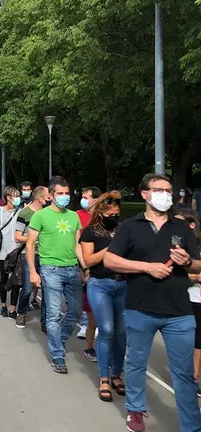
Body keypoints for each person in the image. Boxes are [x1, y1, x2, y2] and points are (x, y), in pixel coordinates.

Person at [104, 173, 201, 432]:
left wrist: (187, 261)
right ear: (145, 194)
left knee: (184, 374)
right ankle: (135, 411)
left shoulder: (181, 227)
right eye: (159, 189)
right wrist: (147, 268)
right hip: (140, 309)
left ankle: (191, 425)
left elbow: (198, 261)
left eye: (169, 190)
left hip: (179, 312)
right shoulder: (129, 226)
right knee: (136, 363)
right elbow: (110, 261)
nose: (165, 195)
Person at [26, 176, 84, 374]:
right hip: (50, 269)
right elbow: (30, 244)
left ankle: (59, 339)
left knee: (75, 311)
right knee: (52, 314)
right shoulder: (40, 216)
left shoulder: (74, 216)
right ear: (50, 195)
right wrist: (33, 272)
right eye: (60, 193)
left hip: (72, 268)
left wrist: (85, 268)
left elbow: (77, 245)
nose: (64, 197)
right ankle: (58, 356)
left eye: (67, 193)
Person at [80, 191, 126, 403]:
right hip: (100, 285)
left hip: (123, 284)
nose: (114, 216)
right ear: (101, 213)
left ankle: (117, 373)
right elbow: (88, 261)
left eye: (117, 213)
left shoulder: (124, 230)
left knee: (121, 332)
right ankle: (104, 377)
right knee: (106, 329)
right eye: (110, 213)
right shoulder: (90, 232)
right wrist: (110, 248)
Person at [14, 186, 50, 330]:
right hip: (27, 255)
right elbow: (17, 237)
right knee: (28, 289)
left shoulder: (48, 214)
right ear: (40, 198)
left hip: (46, 256)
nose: (50, 199)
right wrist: (33, 238)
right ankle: (21, 312)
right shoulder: (25, 213)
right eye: (48, 197)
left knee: (47, 290)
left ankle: (46, 321)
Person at [176, 208, 201, 398]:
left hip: (198, 299)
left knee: (198, 342)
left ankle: (193, 378)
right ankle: (184, 377)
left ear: (192, 225)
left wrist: (193, 275)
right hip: (181, 298)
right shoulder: (175, 244)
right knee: (183, 340)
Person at [0, 186, 21, 318]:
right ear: (8, 197)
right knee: (4, 279)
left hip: (16, 251)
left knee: (16, 280)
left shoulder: (20, 211)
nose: (18, 198)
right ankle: (3, 305)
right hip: (2, 251)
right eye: (15, 196)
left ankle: (13, 308)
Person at [76, 186, 102, 344]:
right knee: (84, 291)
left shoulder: (102, 216)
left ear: (97, 199)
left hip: (99, 260)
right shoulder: (77, 215)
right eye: (83, 197)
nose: (83, 200)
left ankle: (97, 323)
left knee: (97, 293)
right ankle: (85, 324)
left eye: (87, 197)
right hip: (81, 260)